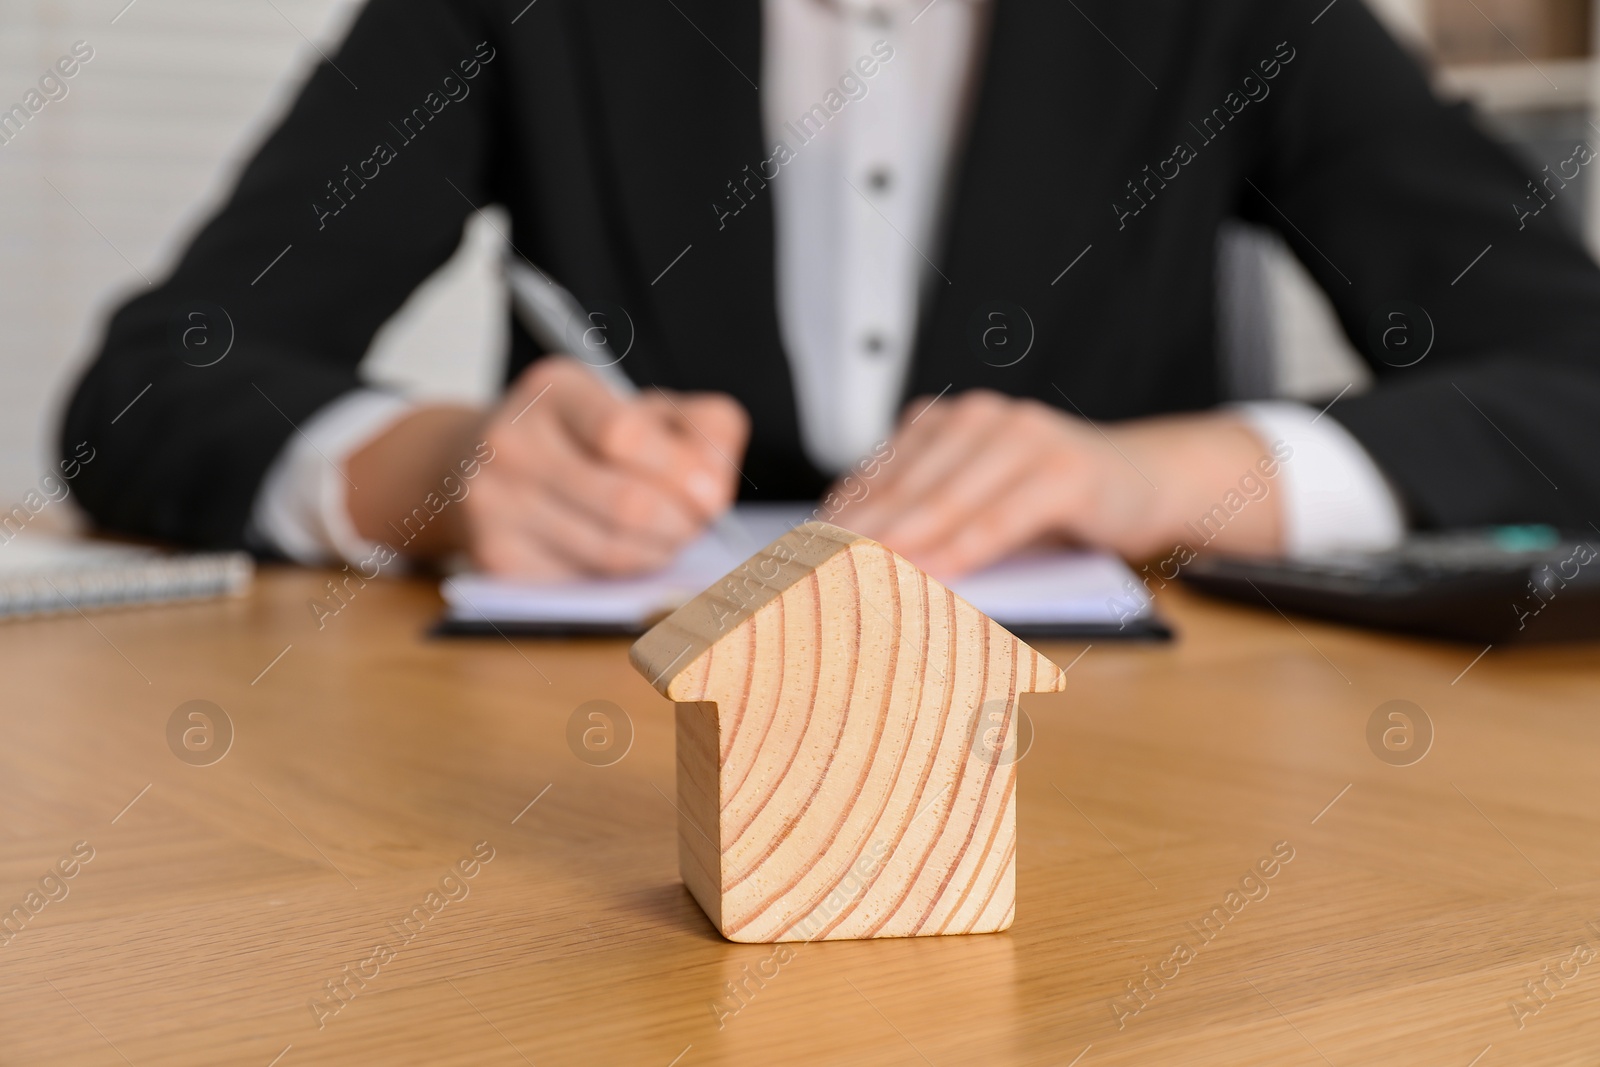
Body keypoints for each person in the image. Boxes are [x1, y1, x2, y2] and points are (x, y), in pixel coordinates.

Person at [61, 0, 1600, 580]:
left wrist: (1169, 477)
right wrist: (433, 476)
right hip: (578, 795)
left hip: (1128, 783)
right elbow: (151, 381)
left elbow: (1576, 375)